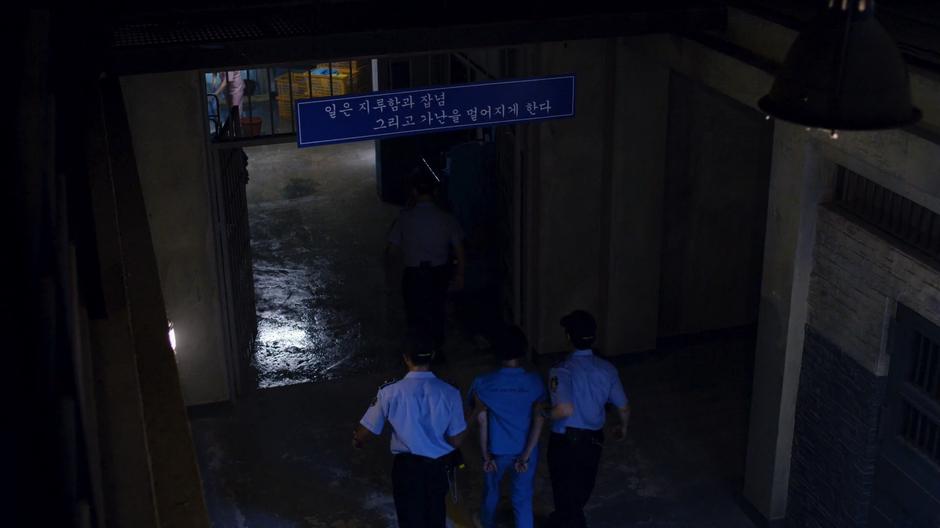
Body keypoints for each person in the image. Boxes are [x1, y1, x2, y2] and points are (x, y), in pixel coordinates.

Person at [353, 334, 467, 527]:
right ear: (432, 356)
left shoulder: (389, 391)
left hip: (407, 469)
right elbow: (456, 440)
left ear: (406, 358)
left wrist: (357, 440)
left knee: (409, 519)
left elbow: (366, 430)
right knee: (435, 516)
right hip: (437, 467)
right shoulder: (450, 392)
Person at [543, 310, 630, 528]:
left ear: (568, 337)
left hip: (565, 443)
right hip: (593, 442)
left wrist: (543, 413)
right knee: (581, 490)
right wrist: (623, 427)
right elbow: (624, 406)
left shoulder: (561, 369)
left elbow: (563, 409)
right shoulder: (607, 369)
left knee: (563, 493)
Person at [466, 326, 546, 528]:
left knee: (492, 490)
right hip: (526, 450)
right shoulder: (535, 382)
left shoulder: (482, 384)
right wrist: (526, 455)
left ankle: (486, 522)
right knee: (522, 498)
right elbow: (539, 419)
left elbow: (481, 418)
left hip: (496, 453)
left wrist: (486, 457)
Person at [385, 168, 466, 353]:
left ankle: (417, 355)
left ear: (414, 192)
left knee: (415, 317)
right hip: (439, 275)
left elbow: (391, 251)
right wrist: (460, 274)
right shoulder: (447, 218)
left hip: (414, 275)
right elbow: (460, 250)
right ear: (435, 192)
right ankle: (437, 353)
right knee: (437, 314)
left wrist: (391, 276)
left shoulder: (404, 218)